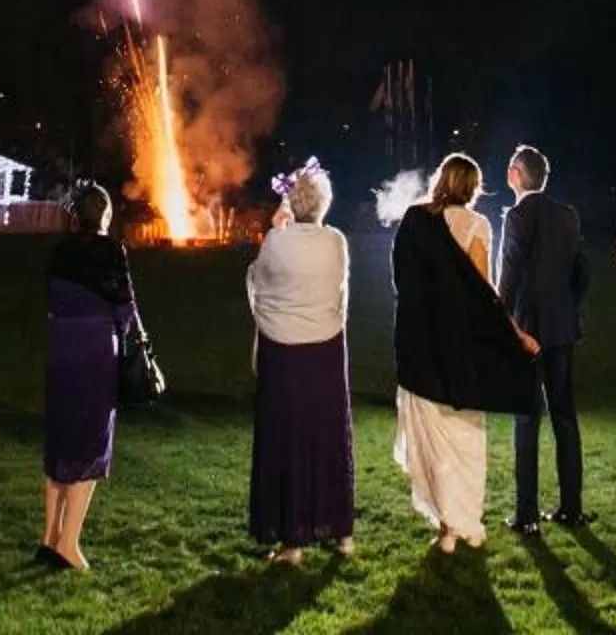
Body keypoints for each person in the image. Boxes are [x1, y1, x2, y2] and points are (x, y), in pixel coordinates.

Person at [390, 152, 539, 552]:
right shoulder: (476, 225)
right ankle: (462, 522)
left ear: (441, 181)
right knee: (462, 434)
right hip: (459, 347)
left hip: (420, 342)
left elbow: (401, 280)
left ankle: (446, 526)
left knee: (433, 434)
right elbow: (484, 293)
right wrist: (515, 333)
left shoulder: (414, 220)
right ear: (472, 187)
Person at [245, 158, 355, 563]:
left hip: (284, 356)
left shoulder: (277, 241)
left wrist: (276, 232)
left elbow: (258, 282)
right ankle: (340, 531)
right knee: (328, 439)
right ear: (323, 204)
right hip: (324, 352)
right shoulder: (336, 242)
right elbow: (340, 293)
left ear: (292, 204)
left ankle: (291, 540)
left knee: (286, 443)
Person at [39, 182, 141, 571]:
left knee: (61, 435)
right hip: (95, 348)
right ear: (106, 215)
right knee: (90, 438)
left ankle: (48, 536)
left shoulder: (60, 251)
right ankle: (69, 543)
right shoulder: (110, 251)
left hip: (60, 345)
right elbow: (124, 306)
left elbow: (50, 295)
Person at [496, 143, 590, 531]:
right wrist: (568, 307)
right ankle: (571, 507)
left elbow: (511, 272)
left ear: (516, 175)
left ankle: (527, 514)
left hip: (528, 330)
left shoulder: (519, 215)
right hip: (562, 327)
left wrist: (502, 318)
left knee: (526, 419)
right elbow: (582, 271)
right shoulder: (567, 215)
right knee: (565, 416)